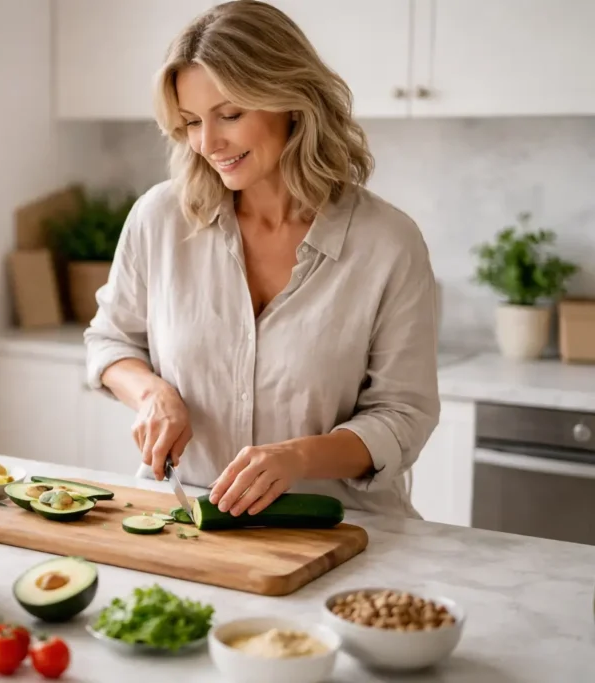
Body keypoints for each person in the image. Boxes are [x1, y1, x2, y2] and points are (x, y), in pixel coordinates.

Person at [83, 0, 440, 519]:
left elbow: (404, 415)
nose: (208, 143)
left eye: (230, 114)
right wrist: (152, 393)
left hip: (341, 529)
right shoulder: (159, 219)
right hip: (185, 521)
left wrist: (298, 458)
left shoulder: (387, 243)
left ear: (292, 102)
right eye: (190, 121)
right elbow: (109, 340)